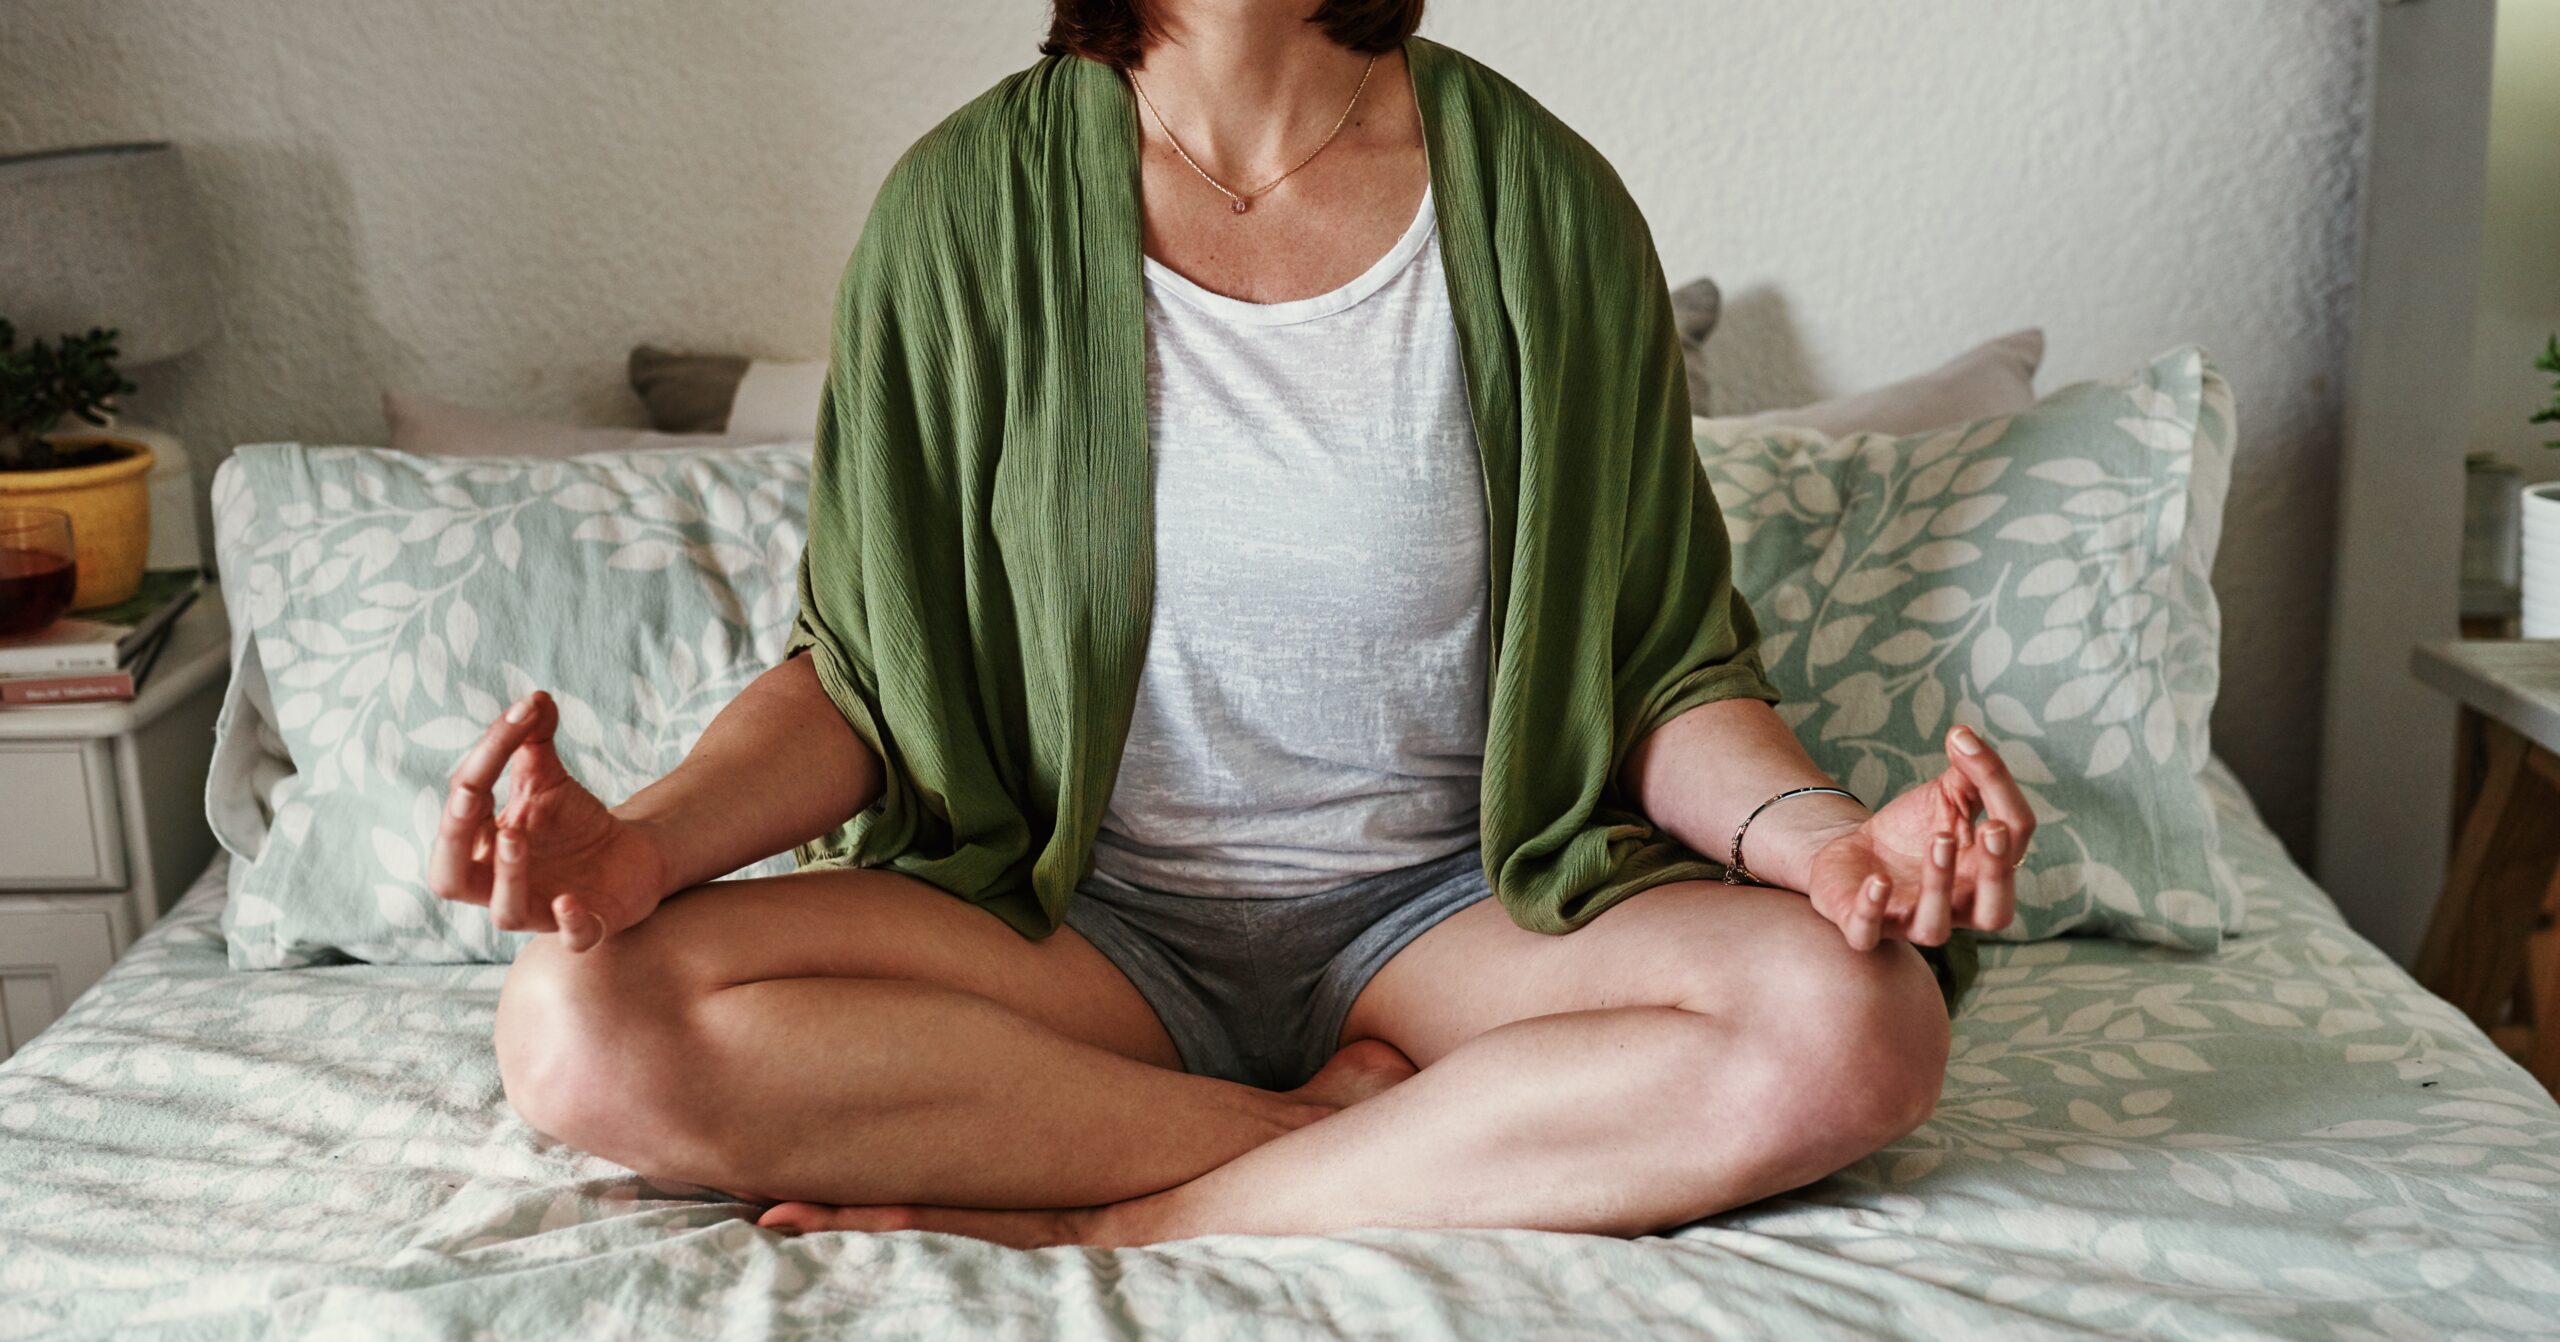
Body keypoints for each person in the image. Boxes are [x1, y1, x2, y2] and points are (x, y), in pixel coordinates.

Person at [431, 0, 2034, 1250]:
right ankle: (1341, 1143)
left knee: (1859, 1023)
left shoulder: (1543, 206)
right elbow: (865, 678)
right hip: (1074, 929)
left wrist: (1830, 846)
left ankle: (1125, 1207)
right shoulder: (958, 213)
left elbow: (1662, 675)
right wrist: (642, 846)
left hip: (1457, 921)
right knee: (580, 1020)